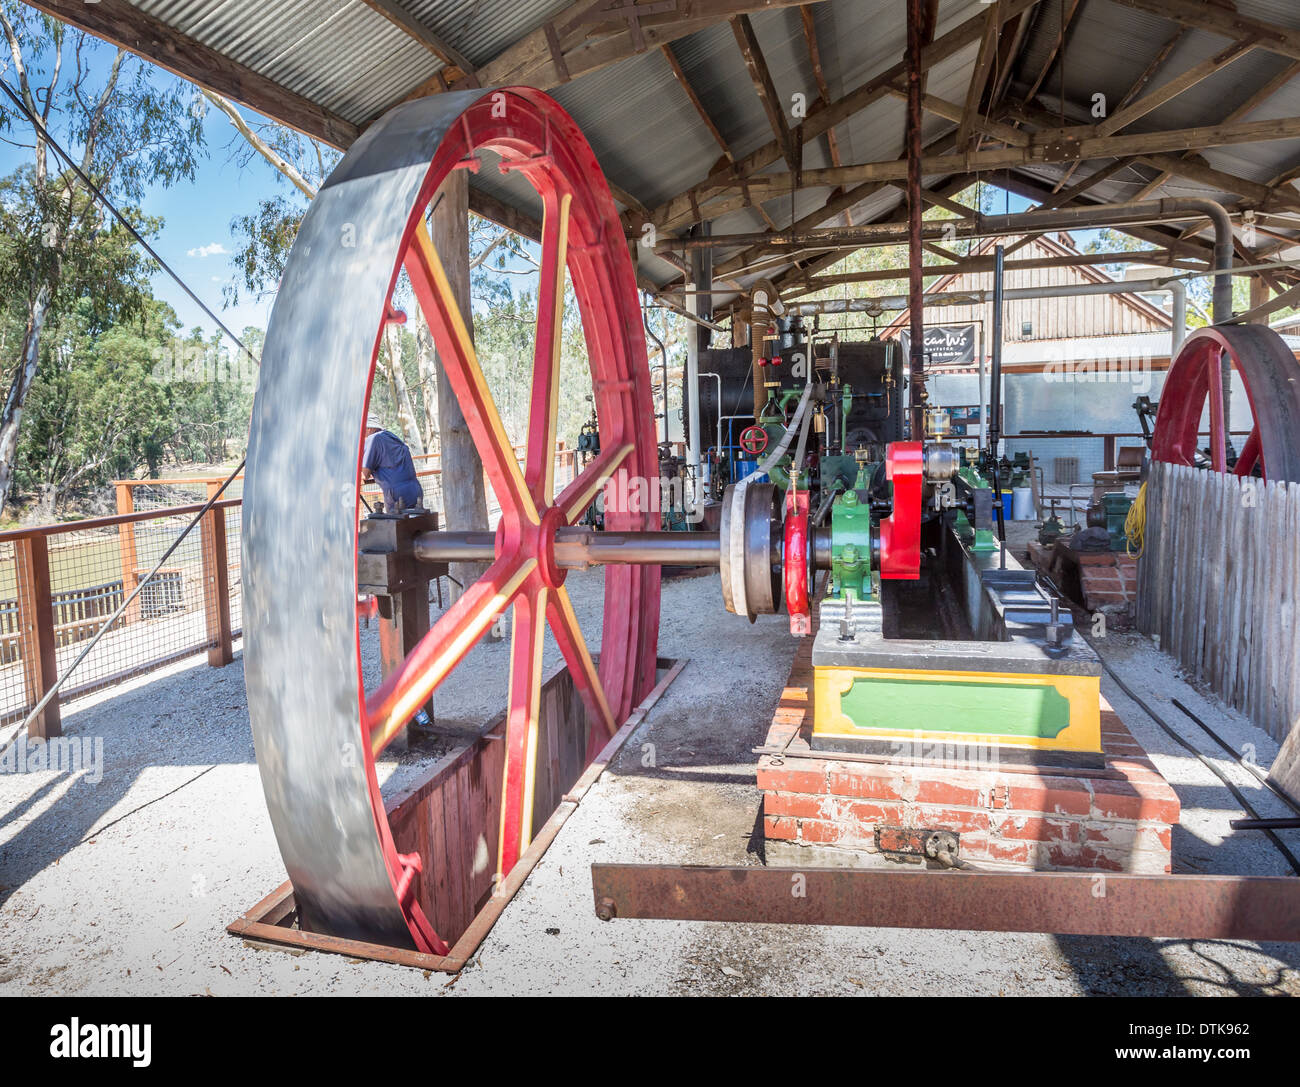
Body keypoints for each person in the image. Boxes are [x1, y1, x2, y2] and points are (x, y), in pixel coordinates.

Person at [362, 413, 424, 513]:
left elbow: (364, 474)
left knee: (397, 526)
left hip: (397, 494)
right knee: (416, 524)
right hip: (415, 488)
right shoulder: (391, 436)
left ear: (368, 428)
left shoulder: (373, 439)